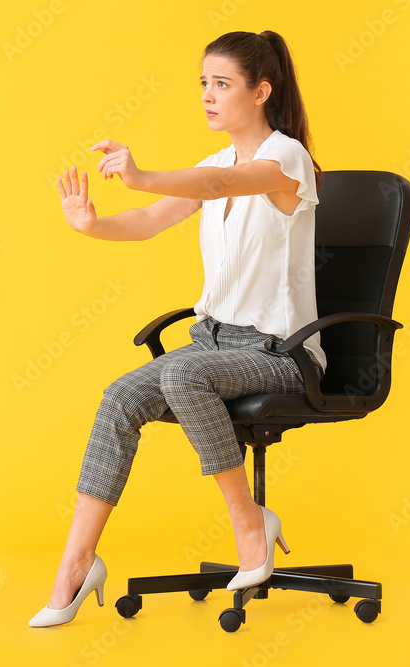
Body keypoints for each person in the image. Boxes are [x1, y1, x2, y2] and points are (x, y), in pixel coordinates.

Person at [29, 29, 327, 628]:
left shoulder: (286, 158)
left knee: (185, 374)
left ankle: (250, 525)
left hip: (280, 353)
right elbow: (145, 223)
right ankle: (77, 564)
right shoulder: (213, 163)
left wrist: (140, 175)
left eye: (222, 85)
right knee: (121, 395)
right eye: (203, 85)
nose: (208, 97)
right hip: (214, 344)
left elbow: (218, 188)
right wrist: (91, 225)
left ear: (261, 91)